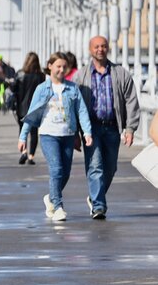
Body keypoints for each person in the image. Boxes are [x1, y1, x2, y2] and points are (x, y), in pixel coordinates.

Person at [19, 52, 93, 222]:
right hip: (48, 134)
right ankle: (58, 207)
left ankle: (51, 198)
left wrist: (87, 132)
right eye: (58, 66)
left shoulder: (72, 88)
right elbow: (31, 113)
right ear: (50, 66)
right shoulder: (42, 89)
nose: (61, 70)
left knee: (65, 173)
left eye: (64, 67)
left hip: (67, 134)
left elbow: (81, 111)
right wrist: (23, 137)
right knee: (56, 169)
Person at [74, 35, 141, 219]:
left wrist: (130, 128)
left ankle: (95, 195)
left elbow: (131, 100)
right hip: (91, 128)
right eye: (96, 46)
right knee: (95, 166)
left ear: (108, 48)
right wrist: (75, 133)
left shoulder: (120, 73)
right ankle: (98, 206)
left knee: (110, 168)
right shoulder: (81, 76)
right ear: (90, 49)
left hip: (112, 127)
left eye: (103, 46)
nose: (100, 49)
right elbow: (73, 104)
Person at [12, 52, 45, 165]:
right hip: (35, 107)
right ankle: (31, 156)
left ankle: (24, 152)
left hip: (22, 106)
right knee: (34, 132)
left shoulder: (20, 74)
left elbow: (13, 89)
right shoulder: (40, 76)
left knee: (22, 130)